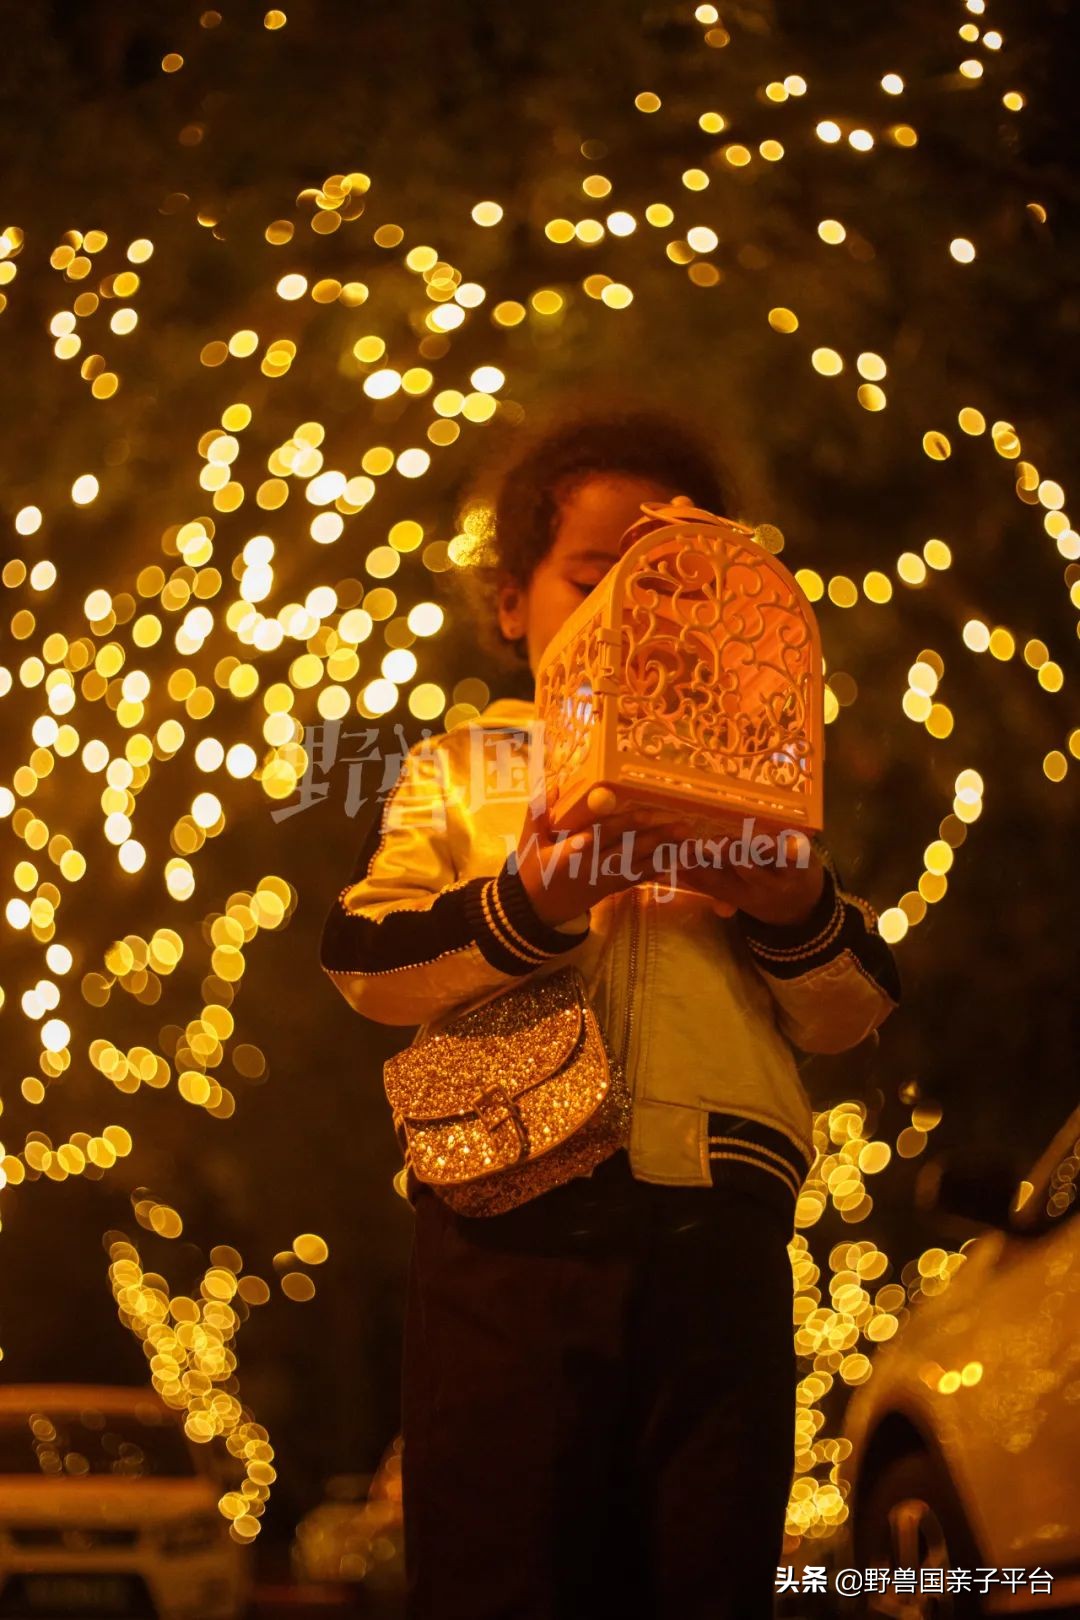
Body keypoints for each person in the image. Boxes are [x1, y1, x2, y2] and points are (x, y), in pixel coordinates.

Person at [319, 403, 901, 1620]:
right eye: (593, 579)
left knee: (703, 1560)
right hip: (504, 1220)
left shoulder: (759, 765)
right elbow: (367, 958)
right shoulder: (468, 764)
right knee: (501, 1560)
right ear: (512, 602)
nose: (635, 614)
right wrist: (531, 900)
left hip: (716, 1221)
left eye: (674, 588)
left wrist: (790, 900)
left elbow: (851, 1013)